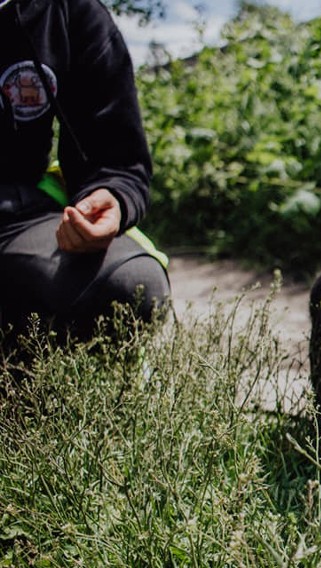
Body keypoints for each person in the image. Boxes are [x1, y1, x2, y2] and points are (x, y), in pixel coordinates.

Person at [0, 0, 170, 348]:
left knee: (133, 284)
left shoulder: (65, 10)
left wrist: (110, 197)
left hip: (14, 218)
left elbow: (117, 159)